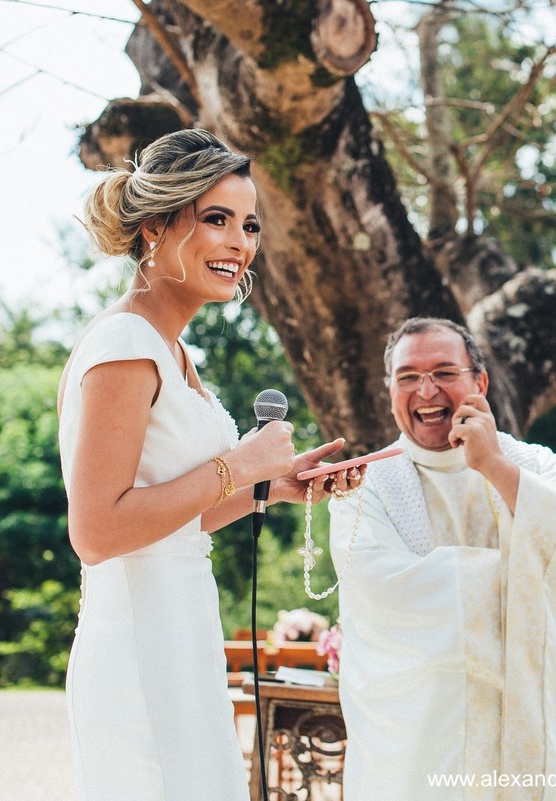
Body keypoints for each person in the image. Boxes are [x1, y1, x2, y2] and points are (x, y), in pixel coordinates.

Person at [58, 128, 360, 801]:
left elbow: (165, 517)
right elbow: (98, 532)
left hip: (183, 630)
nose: (240, 243)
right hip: (139, 644)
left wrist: (267, 489)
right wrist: (239, 462)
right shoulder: (126, 344)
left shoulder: (175, 352)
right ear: (156, 228)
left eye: (249, 225)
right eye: (216, 219)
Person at [328, 317, 556, 800]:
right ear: (389, 390)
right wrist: (524, 581)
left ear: (479, 382)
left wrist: (493, 466)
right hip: (428, 746)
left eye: (445, 372)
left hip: (531, 730)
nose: (426, 390)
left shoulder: (537, 466)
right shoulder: (365, 486)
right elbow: (385, 594)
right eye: (407, 377)